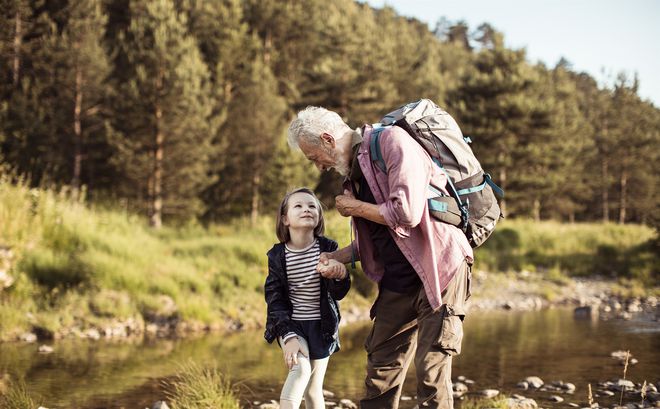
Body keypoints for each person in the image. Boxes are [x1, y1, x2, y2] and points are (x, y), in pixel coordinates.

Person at [287, 107, 474, 409]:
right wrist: (334, 256)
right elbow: (376, 243)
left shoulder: (392, 142)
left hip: (441, 268)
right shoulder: (353, 177)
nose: (319, 167)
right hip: (398, 280)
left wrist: (353, 207)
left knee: (430, 370)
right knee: (381, 369)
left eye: (313, 157)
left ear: (327, 139)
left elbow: (406, 213)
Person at [264, 187, 351, 409]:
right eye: (298, 206)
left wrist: (340, 276)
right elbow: (275, 299)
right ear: (285, 219)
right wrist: (288, 334)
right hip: (291, 325)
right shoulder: (278, 256)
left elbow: (338, 293)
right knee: (300, 370)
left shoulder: (328, 248)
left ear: (319, 216)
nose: (307, 209)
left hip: (322, 326)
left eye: (312, 206)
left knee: (313, 390)